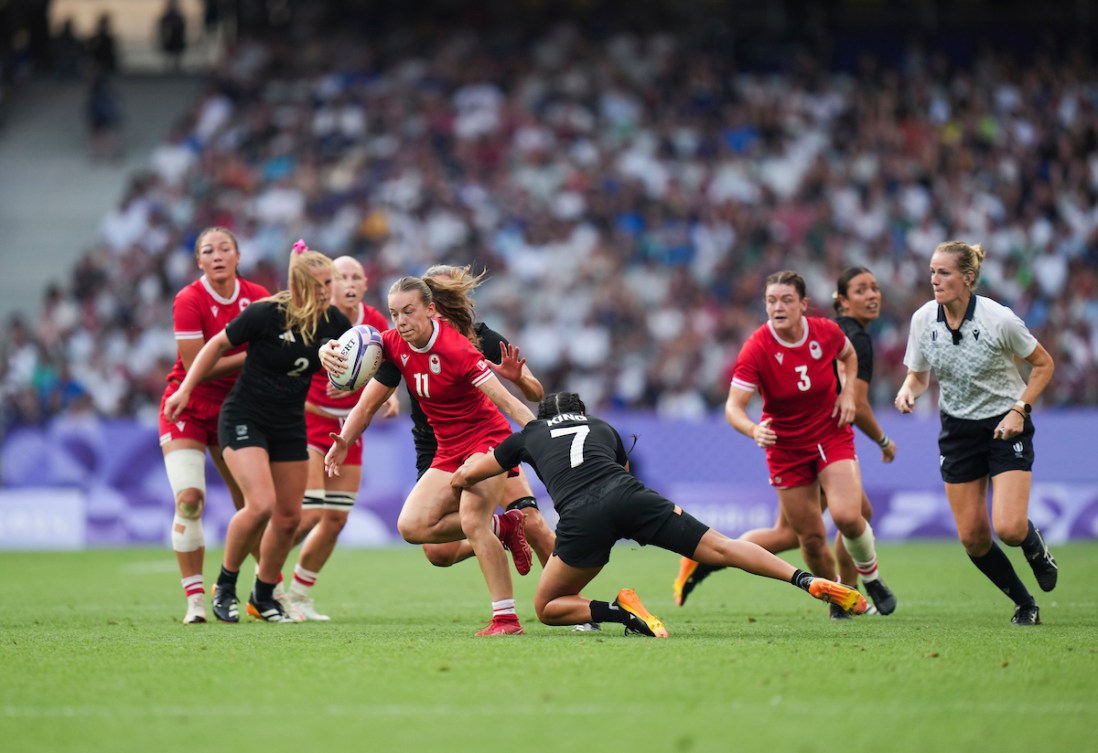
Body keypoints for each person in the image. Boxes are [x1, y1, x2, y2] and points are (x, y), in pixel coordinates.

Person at [450, 392, 868, 637]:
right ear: (581, 412)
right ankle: (807, 579)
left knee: (548, 607)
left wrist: (452, 483)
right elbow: (623, 471)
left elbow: (475, 472)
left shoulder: (528, 435)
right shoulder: (602, 427)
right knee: (722, 546)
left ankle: (622, 610)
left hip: (582, 516)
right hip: (631, 496)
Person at [674, 267, 898, 618]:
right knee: (806, 537)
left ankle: (871, 580)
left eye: (786, 300)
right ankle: (839, 596)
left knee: (848, 516)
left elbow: (848, 357)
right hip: (786, 449)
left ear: (804, 304)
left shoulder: (826, 332)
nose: (778, 307)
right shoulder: (757, 347)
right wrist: (753, 429)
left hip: (830, 434)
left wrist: (848, 395)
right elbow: (733, 406)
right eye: (771, 301)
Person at [324, 275, 538, 636]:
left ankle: (507, 619)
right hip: (448, 450)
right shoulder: (392, 345)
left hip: (487, 443)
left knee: (472, 521)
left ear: (430, 310)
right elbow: (367, 403)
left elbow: (506, 402)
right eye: (394, 314)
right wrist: (344, 439)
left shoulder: (458, 349)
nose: (401, 321)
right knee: (412, 528)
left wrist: (541, 436)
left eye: (408, 312)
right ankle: (506, 525)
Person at [165, 240, 352, 623]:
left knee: (288, 518)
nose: (324, 292)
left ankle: (263, 596)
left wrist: (345, 382)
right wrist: (185, 389)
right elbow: (216, 345)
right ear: (298, 285)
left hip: (289, 424)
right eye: (317, 285)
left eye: (327, 283)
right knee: (261, 505)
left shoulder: (335, 322)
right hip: (244, 416)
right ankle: (225, 586)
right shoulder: (267, 313)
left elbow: (350, 366)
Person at [895, 241, 1057, 626]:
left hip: (1005, 422)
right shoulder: (922, 320)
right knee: (973, 538)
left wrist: (1020, 409)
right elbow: (918, 376)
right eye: (933, 271)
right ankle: (1024, 603)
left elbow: (1044, 365)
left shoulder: (999, 319)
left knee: (1010, 528)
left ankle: (1036, 548)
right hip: (957, 430)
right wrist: (908, 390)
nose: (935, 279)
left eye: (944, 272)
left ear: (968, 278)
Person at [371, 265, 555, 572]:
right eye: (435, 297)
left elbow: (535, 392)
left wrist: (519, 380)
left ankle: (568, 599)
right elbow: (373, 376)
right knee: (438, 553)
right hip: (437, 450)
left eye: (447, 297)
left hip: (484, 441)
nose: (440, 307)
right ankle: (500, 530)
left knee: (532, 521)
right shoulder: (409, 339)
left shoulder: (482, 339)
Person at [160, 227, 271, 624]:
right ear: (199, 262)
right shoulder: (189, 299)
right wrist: (253, 356)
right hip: (187, 404)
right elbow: (196, 368)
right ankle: (194, 602)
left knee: (254, 506)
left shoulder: (258, 297)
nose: (218, 254)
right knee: (190, 498)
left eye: (225, 248)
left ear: (238, 256)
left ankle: (266, 594)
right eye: (209, 250)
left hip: (237, 409)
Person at [283, 255, 396, 621]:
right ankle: (266, 583)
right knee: (309, 514)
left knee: (336, 520)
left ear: (365, 284)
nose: (348, 282)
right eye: (341, 276)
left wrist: (390, 396)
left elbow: (391, 365)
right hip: (309, 424)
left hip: (349, 429)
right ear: (329, 284)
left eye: (356, 276)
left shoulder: (375, 322)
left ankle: (299, 594)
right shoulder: (314, 318)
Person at [156, 0, 187, 73]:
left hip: (177, 40)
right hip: (170, 41)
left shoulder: (178, 17)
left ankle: (175, 67)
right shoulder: (167, 17)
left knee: (176, 54)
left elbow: (182, 30)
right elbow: (162, 29)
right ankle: (169, 67)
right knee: (170, 55)